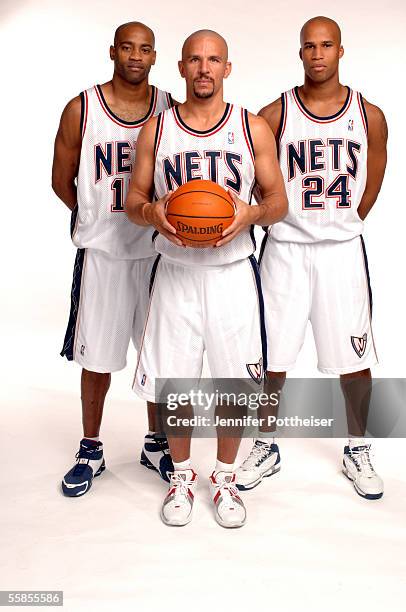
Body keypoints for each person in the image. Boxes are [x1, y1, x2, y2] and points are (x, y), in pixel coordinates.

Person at [125, 29, 288, 527]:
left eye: (213, 59)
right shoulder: (157, 129)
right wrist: (153, 213)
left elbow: (279, 202)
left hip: (232, 273)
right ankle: (181, 477)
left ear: (227, 68)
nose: (203, 68)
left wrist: (249, 215)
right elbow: (132, 202)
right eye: (194, 59)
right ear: (181, 67)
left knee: (233, 382)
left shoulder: (252, 127)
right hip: (174, 272)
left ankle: (224, 476)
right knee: (175, 384)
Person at [235, 16, 388, 500]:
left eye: (326, 45)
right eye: (309, 46)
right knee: (271, 354)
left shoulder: (370, 115)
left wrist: (340, 224)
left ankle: (357, 448)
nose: (317, 54)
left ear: (341, 50)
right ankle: (265, 443)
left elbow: (372, 182)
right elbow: (255, 179)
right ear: (299, 53)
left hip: (342, 253)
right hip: (284, 249)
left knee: (353, 357)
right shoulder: (275, 114)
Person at [52, 21, 176, 497]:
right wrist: (93, 215)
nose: (136, 56)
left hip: (156, 252)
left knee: (161, 352)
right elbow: (63, 180)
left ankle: (157, 444)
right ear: (113, 51)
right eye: (127, 47)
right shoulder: (82, 108)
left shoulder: (170, 108)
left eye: (145, 49)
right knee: (96, 358)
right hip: (104, 252)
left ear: (155, 55)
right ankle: (90, 448)